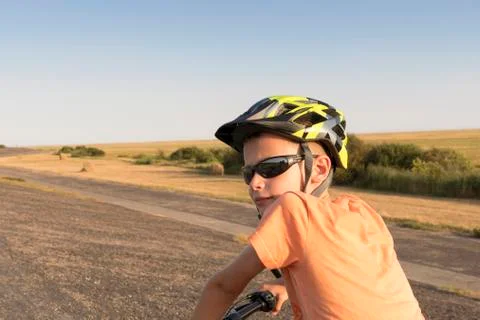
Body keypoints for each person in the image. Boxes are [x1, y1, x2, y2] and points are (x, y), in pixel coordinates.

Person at [192, 96, 424, 319]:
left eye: (272, 167)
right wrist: (285, 285)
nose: (255, 182)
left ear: (320, 169)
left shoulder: (293, 209)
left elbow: (223, 287)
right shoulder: (359, 211)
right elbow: (348, 277)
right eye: (248, 172)